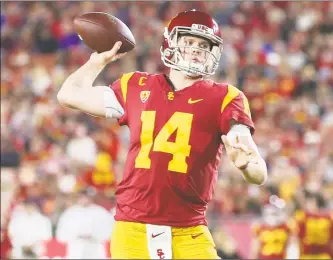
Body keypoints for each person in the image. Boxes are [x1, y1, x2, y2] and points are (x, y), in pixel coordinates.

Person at [57, 9, 267, 259]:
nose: (196, 49)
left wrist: (246, 165)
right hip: (132, 228)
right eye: (189, 41)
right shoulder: (136, 86)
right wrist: (97, 62)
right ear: (171, 43)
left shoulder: (226, 97)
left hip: (189, 231)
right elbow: (68, 95)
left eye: (203, 44)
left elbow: (259, 174)